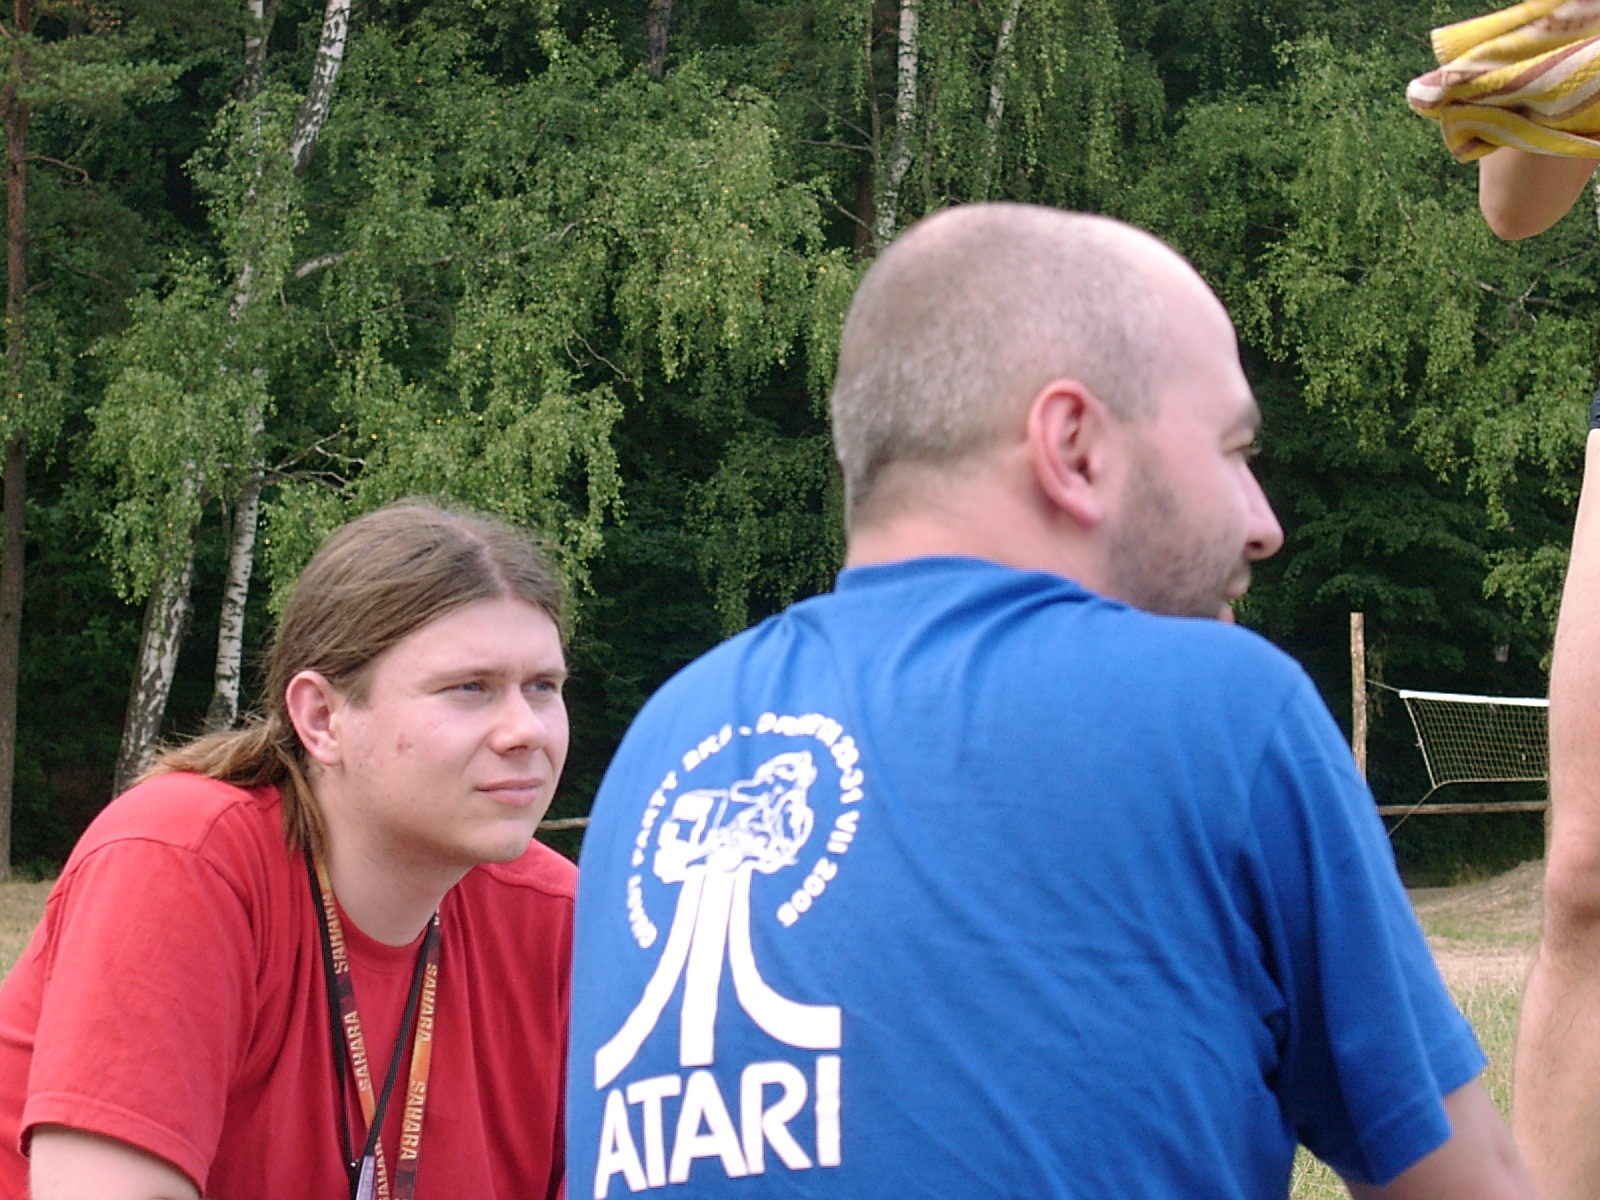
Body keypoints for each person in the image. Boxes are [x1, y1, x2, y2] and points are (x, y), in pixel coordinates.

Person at [563, 204, 1535, 1199]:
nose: (1263, 523)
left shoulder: (665, 744)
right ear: (1074, 447)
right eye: (1233, 452)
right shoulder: (1217, 709)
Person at [0, 502, 575, 1200]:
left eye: (542, 688)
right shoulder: (182, 859)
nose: (525, 730)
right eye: (469, 688)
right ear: (322, 718)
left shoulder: (559, 921)